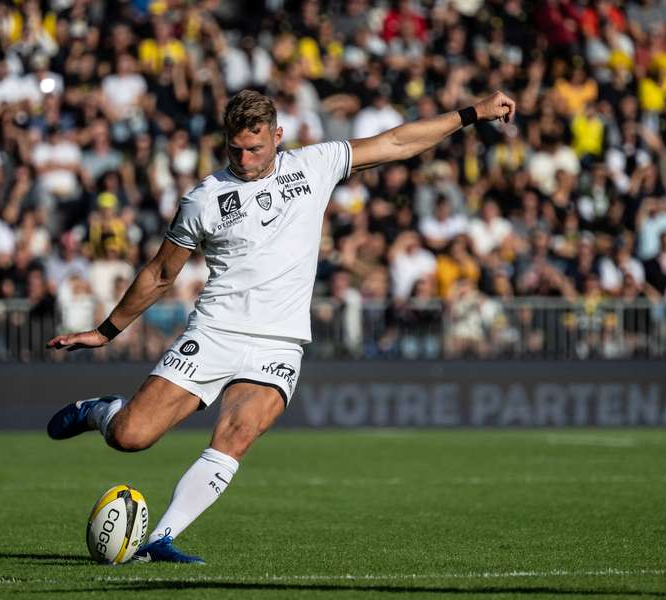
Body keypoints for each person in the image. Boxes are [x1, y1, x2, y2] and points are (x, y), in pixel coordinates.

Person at [46, 88, 515, 563]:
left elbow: (396, 142)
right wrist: (105, 331)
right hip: (215, 332)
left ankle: (159, 540)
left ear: (278, 136)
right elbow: (162, 274)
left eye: (255, 148)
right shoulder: (205, 199)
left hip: (281, 341)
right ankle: (100, 411)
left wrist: (473, 113)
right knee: (132, 436)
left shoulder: (315, 164)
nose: (245, 160)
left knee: (238, 433)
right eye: (235, 150)